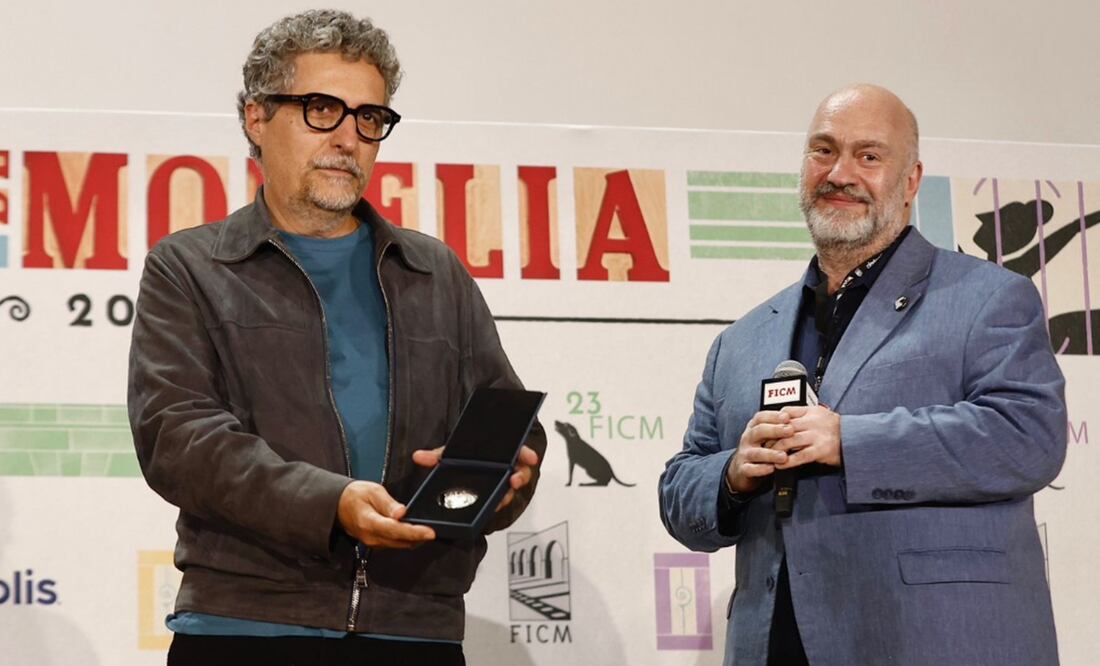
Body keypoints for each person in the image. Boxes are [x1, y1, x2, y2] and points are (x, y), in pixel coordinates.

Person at [128, 10, 545, 666]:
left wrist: (501, 480)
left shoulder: (435, 273)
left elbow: (506, 425)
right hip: (246, 627)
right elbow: (178, 438)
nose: (349, 137)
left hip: (415, 630)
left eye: (370, 118)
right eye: (323, 109)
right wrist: (333, 503)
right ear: (257, 118)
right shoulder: (192, 267)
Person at [658, 84, 1065, 666]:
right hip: (775, 645)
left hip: (934, 641)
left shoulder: (988, 298)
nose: (840, 173)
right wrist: (733, 473)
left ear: (911, 180)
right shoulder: (740, 340)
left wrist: (848, 439)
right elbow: (680, 487)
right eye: (823, 151)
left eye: (869, 156)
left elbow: (1028, 437)